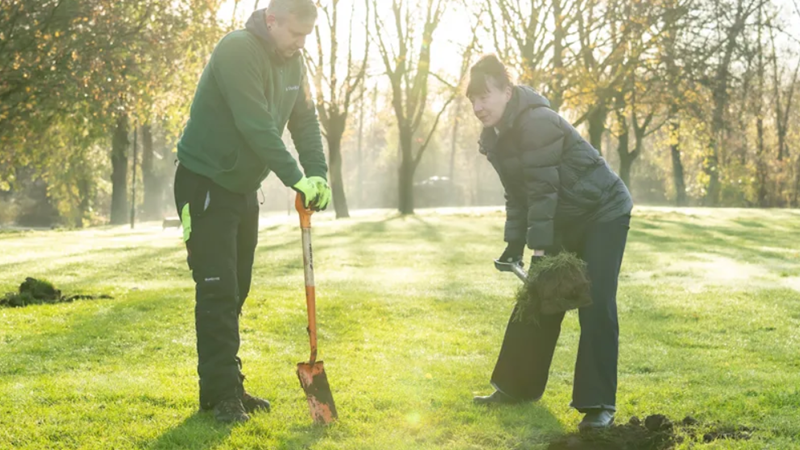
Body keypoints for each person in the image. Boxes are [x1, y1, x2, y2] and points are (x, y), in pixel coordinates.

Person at [173, 0, 331, 423]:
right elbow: (254, 122)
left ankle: (226, 386)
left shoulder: (294, 64)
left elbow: (306, 122)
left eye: (307, 37)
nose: (300, 44)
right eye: (295, 34)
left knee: (237, 288)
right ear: (271, 19)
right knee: (218, 289)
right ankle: (222, 395)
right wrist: (295, 176)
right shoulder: (237, 49)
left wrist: (318, 176)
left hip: (241, 189)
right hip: (204, 184)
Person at [468, 54, 633, 431]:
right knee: (539, 298)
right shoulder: (493, 136)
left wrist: (538, 247)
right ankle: (515, 388)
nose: (478, 106)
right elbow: (518, 194)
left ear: (507, 92)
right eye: (472, 99)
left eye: (485, 96)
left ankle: (597, 405)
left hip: (602, 212)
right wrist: (514, 243)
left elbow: (543, 191)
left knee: (596, 299)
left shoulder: (537, 122)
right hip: (563, 214)